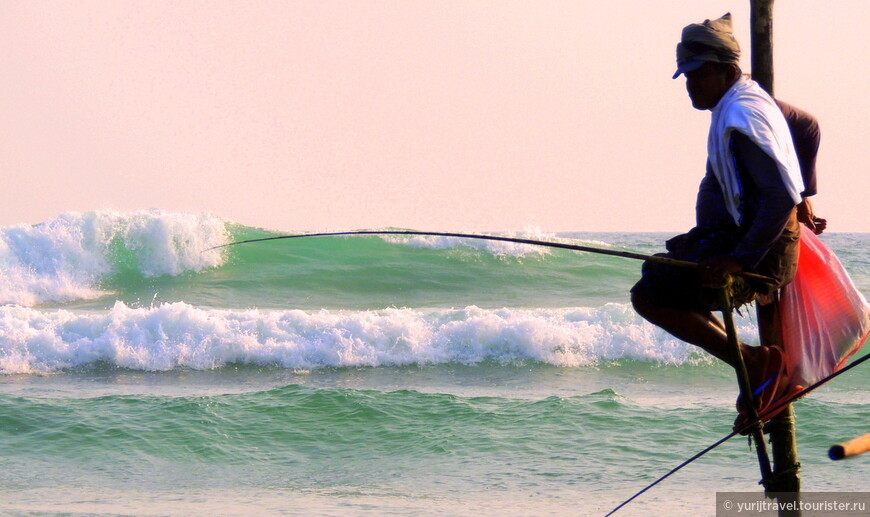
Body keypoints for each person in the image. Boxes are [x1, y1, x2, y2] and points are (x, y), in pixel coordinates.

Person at [630, 13, 804, 419]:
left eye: (698, 77)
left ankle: (754, 363)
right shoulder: (734, 104)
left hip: (765, 252)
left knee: (650, 295)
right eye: (687, 78)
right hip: (741, 236)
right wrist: (705, 237)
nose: (691, 86)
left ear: (727, 71)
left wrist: (739, 259)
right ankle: (752, 367)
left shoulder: (744, 115)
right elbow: (718, 181)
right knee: (660, 273)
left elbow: (780, 197)